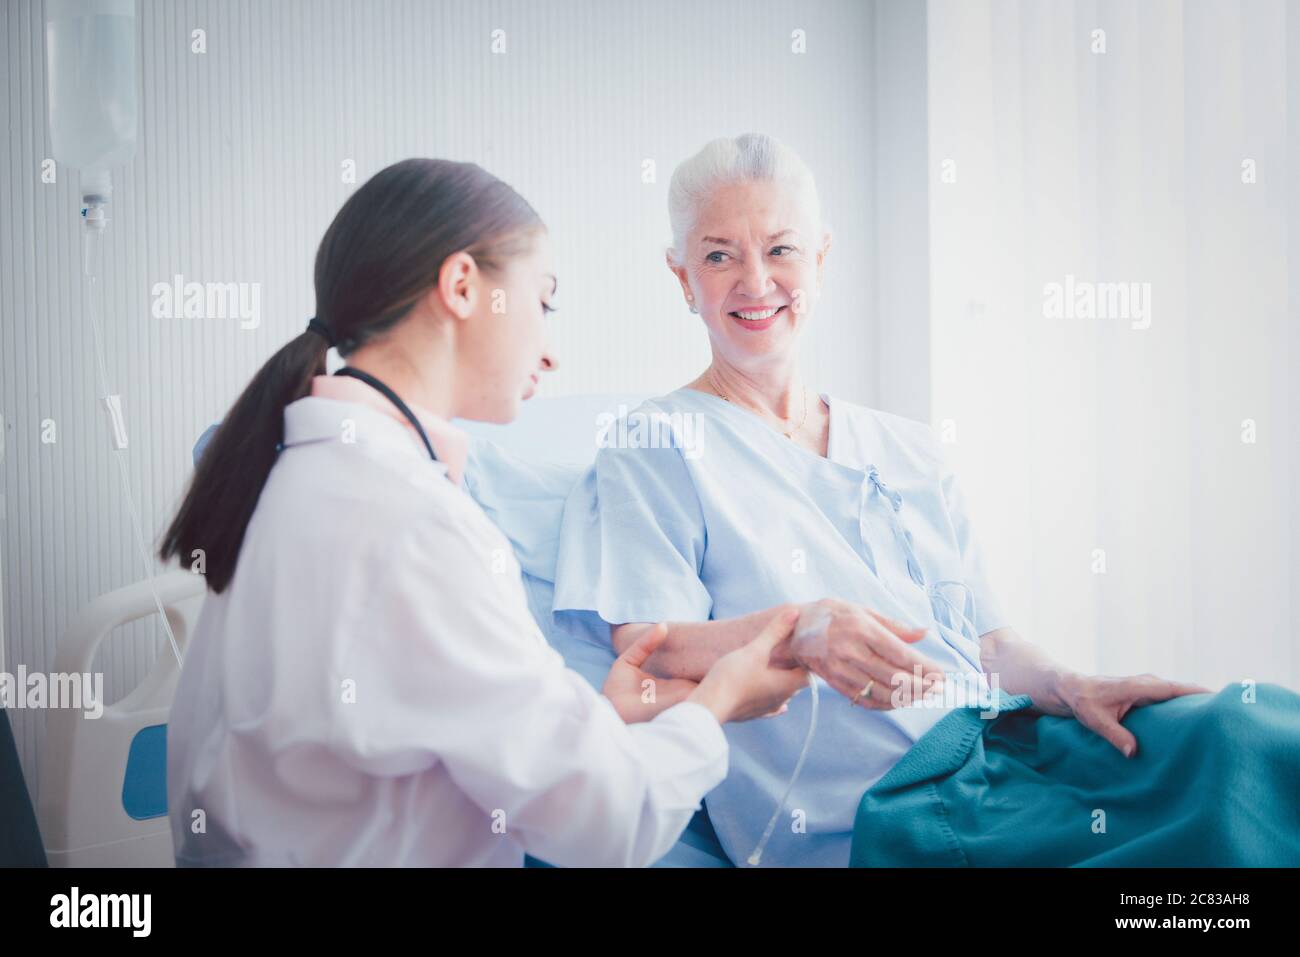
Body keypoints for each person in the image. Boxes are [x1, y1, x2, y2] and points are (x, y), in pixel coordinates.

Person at [552, 133, 1300, 867]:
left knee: (1251, 732)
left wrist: (1072, 684)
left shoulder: (906, 447)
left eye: (780, 248)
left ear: (821, 259)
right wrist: (798, 630)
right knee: (1209, 851)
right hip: (899, 803)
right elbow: (651, 644)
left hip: (1009, 742)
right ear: (682, 277)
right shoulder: (655, 442)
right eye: (718, 255)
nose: (755, 280)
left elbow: (989, 646)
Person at [159, 157, 809, 867]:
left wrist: (607, 713)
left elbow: (428, 723)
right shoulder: (414, 524)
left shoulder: (294, 474)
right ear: (463, 286)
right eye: (544, 302)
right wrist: (714, 703)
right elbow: (607, 823)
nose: (551, 354)